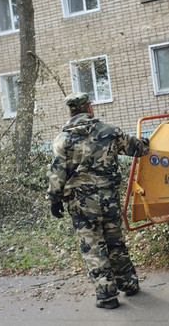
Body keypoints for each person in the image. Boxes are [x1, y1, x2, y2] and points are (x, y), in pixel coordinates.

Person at [46, 92, 149, 309]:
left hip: (82, 204)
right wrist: (147, 142)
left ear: (71, 112)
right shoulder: (110, 131)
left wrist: (54, 199)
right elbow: (138, 149)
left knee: (93, 246)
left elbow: (57, 174)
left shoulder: (62, 140)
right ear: (89, 109)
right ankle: (128, 284)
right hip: (109, 199)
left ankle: (107, 296)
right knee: (115, 242)